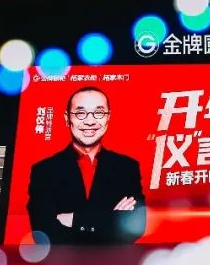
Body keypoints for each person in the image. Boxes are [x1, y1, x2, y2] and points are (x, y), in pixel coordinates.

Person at [26, 86, 147, 244]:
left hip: (114, 260)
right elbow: (43, 232)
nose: (90, 121)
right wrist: (111, 219)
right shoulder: (44, 170)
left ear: (108, 118)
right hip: (63, 260)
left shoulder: (127, 167)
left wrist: (75, 219)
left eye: (99, 112)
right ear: (67, 118)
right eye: (80, 113)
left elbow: (135, 227)